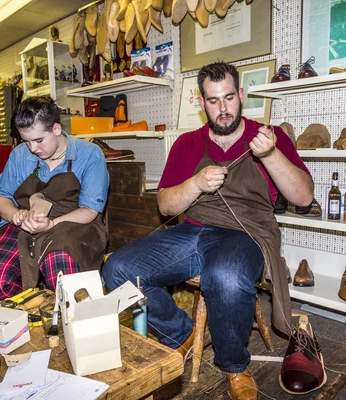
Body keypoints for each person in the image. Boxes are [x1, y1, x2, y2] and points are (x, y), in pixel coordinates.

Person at [102, 61, 313, 400]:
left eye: (229, 97)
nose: (224, 108)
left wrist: (272, 155)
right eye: (214, 101)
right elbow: (167, 206)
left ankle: (234, 366)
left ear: (240, 95)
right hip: (193, 231)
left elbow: (303, 196)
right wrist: (195, 184)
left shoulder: (267, 137)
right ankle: (180, 335)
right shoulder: (186, 144)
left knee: (225, 276)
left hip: (248, 233)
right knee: (119, 268)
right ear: (202, 103)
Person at [0, 96, 109, 301]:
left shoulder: (89, 155)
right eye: (27, 141)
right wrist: (16, 215)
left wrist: (51, 223)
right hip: (27, 223)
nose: (33, 149)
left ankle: (65, 312)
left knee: (61, 272)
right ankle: (35, 307)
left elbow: (89, 210)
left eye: (39, 140)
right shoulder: (19, 155)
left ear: (56, 129)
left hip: (74, 223)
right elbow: (0, 197)